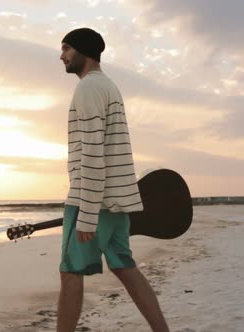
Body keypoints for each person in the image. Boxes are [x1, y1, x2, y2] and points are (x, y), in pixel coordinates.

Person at [57, 28, 170, 332]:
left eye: (67, 48)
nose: (62, 56)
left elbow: (93, 152)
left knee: (70, 273)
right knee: (125, 266)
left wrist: (87, 215)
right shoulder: (109, 86)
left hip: (93, 199)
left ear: (84, 51)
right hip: (119, 197)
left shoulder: (89, 89)